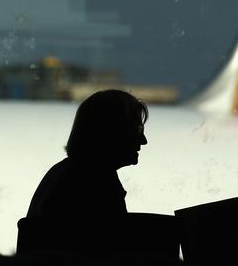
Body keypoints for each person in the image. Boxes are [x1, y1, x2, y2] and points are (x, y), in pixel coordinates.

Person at [26, 89, 148, 218]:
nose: (144, 140)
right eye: (137, 130)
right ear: (110, 131)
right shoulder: (97, 186)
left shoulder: (66, 174)